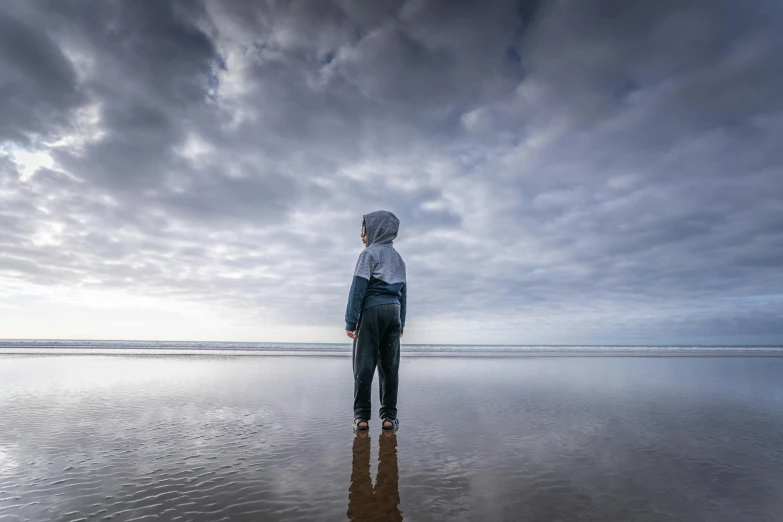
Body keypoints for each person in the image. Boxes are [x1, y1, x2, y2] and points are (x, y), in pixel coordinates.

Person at [345, 210, 407, 432]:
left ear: (375, 230)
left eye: (364, 230)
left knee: (364, 364)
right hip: (394, 313)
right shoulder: (399, 258)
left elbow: (358, 289)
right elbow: (404, 292)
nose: (362, 236)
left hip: (372, 311)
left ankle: (361, 417)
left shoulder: (368, 254)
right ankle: (389, 417)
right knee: (390, 366)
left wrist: (351, 321)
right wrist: (402, 322)